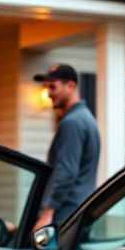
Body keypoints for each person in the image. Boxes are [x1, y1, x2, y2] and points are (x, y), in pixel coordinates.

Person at [32, 64, 100, 231]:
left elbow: (66, 171)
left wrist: (47, 213)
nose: (48, 93)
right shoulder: (86, 118)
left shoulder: (73, 123)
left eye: (53, 87)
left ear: (70, 86)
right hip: (78, 213)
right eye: (47, 87)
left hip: (65, 216)